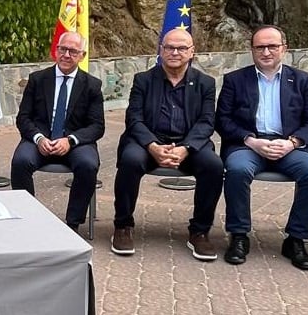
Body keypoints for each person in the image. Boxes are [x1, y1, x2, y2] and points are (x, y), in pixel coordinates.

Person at [216, 25, 308, 269]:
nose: (266, 52)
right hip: (248, 144)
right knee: (236, 170)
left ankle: (296, 239)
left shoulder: (301, 80)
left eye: (272, 46)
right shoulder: (235, 80)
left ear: (283, 49)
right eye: (260, 47)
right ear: (252, 50)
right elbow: (223, 120)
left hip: (289, 145)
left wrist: (292, 142)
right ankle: (239, 235)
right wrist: (250, 140)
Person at [112, 28, 223, 260]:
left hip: (189, 145)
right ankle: (123, 225)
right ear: (161, 50)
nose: (175, 52)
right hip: (147, 143)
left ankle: (199, 232)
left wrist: (185, 148)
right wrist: (152, 145)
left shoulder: (205, 83)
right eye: (169, 47)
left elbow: (206, 121)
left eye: (182, 48)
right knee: (130, 161)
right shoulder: (143, 80)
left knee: (213, 165)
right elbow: (134, 119)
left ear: (192, 52)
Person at [11, 31, 105, 232]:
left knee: (88, 165)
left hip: (75, 142)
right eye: (63, 49)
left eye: (73, 51)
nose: (66, 55)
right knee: (20, 161)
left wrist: (70, 140)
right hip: (40, 140)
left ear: (82, 55)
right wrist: (38, 138)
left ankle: (73, 224)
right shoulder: (37, 80)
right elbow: (23, 118)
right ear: (56, 50)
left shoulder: (92, 86)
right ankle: (28, 218)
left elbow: (97, 126)